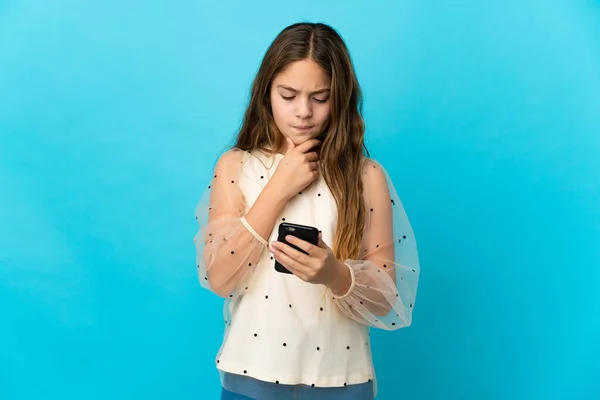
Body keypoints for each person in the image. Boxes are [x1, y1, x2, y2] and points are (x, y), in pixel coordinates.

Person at [193, 22, 420, 400]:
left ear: (341, 98)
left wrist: (334, 273)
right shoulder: (236, 166)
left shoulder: (366, 177)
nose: (303, 112)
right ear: (265, 92)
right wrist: (278, 187)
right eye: (288, 95)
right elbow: (219, 278)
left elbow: (387, 299)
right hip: (252, 373)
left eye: (320, 97)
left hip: (341, 379)